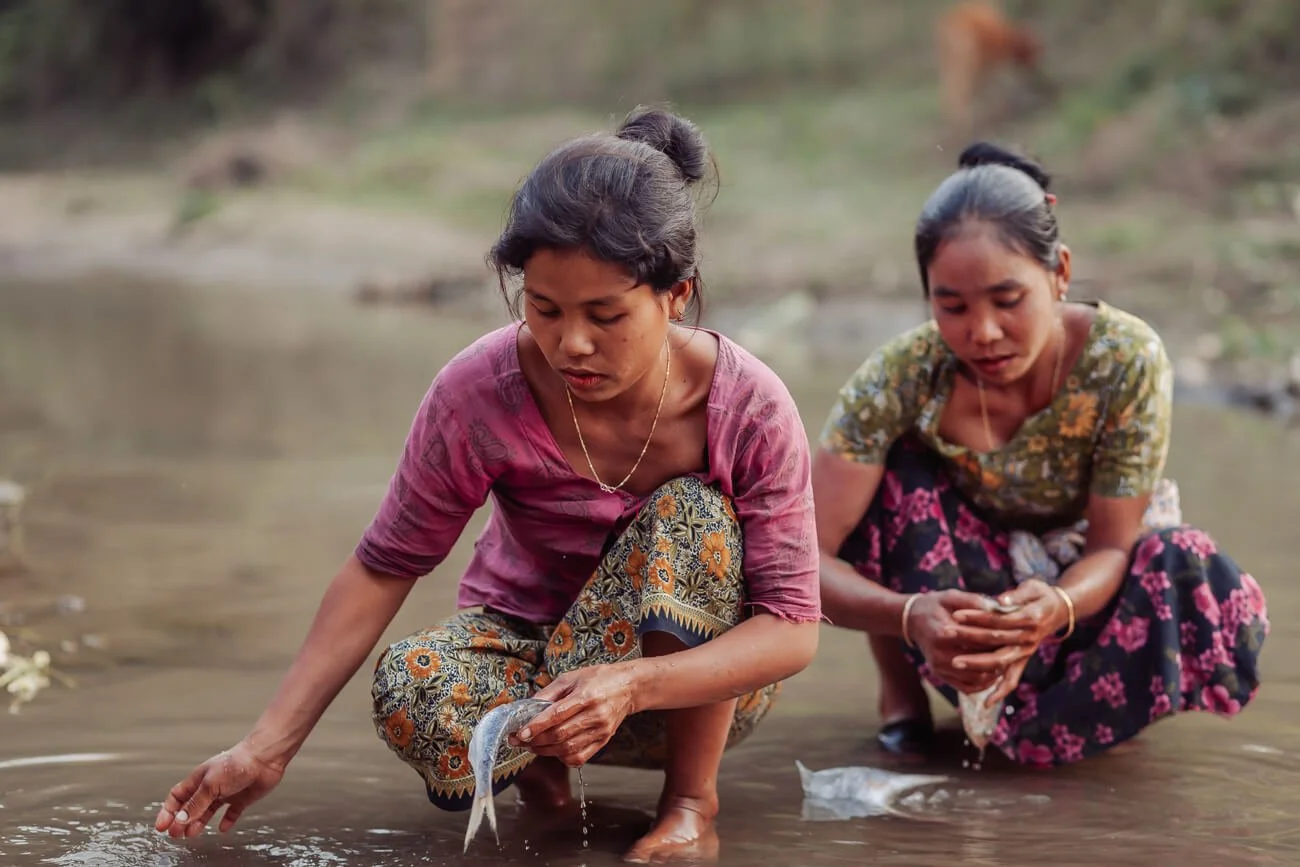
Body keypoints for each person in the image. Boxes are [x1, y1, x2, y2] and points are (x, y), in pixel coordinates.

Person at [152, 107, 821, 864]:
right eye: (544, 309)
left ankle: (691, 803)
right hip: (529, 664)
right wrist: (267, 747)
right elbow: (385, 564)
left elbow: (793, 627)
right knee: (410, 686)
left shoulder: (749, 407)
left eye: (606, 315)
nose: (571, 343)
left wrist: (633, 683)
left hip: (685, 692)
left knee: (692, 513)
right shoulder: (477, 392)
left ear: (675, 294)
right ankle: (543, 777)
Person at [812, 142, 1269, 766]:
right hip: (954, 582)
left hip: (1082, 574)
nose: (983, 332)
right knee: (888, 476)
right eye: (952, 307)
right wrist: (909, 614)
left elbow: (1113, 545)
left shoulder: (1124, 359)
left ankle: (1060, 720)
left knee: (1186, 564)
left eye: (1008, 301)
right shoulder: (900, 376)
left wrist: (1057, 605)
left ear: (1060, 274)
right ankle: (901, 697)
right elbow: (802, 557)